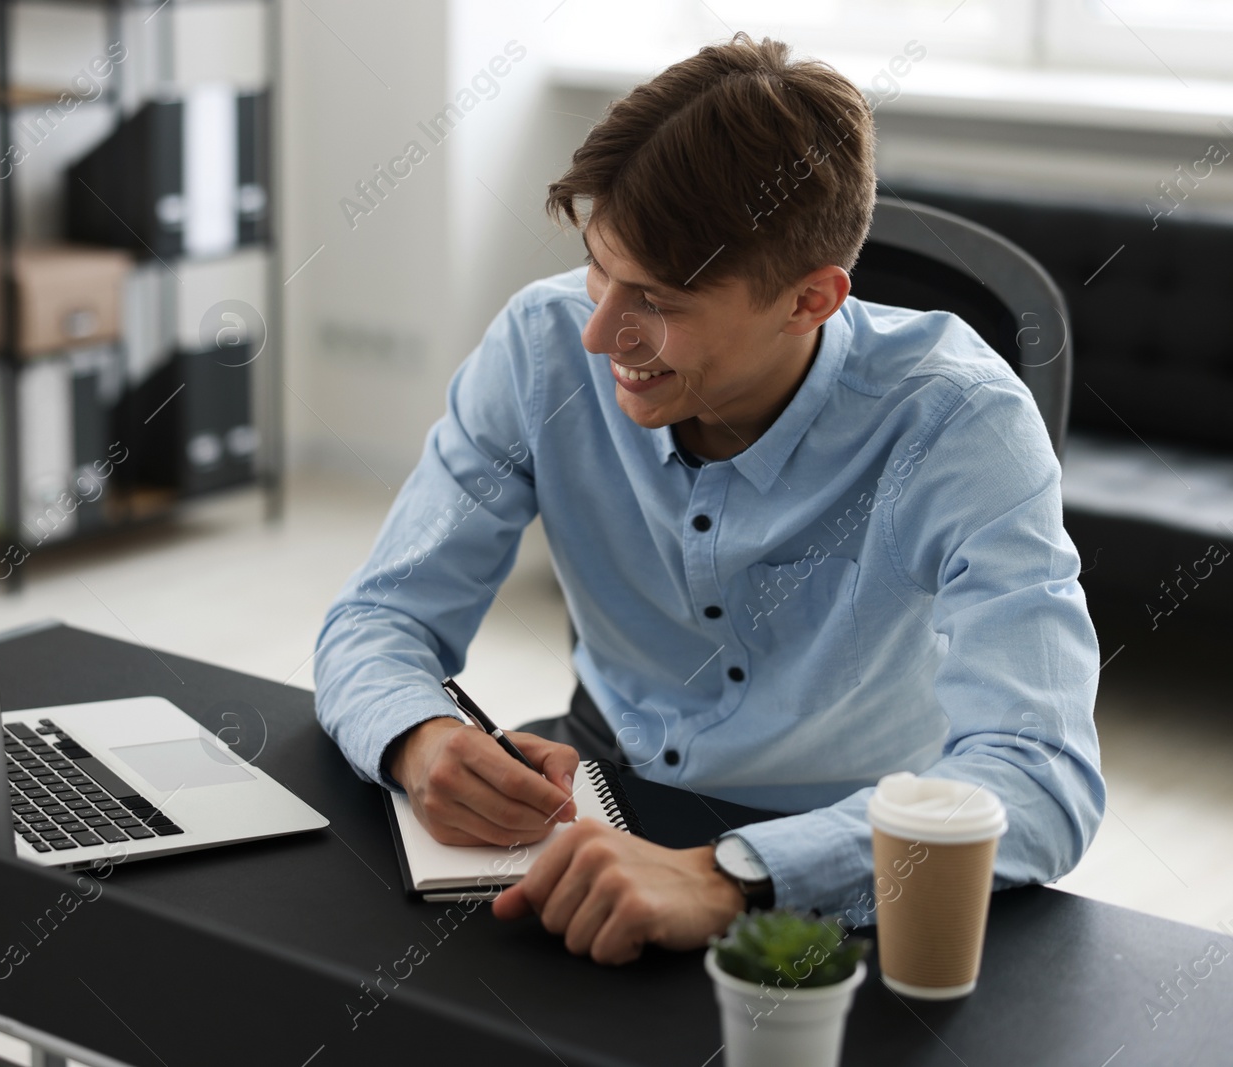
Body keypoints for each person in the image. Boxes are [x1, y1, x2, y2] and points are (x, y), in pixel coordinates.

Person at [312, 33, 1104, 966]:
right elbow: (377, 616)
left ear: (810, 301)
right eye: (600, 267)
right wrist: (420, 734)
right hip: (603, 780)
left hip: (852, 847)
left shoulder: (961, 421)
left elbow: (1041, 776)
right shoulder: (542, 342)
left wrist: (733, 877)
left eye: (658, 300)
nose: (602, 333)